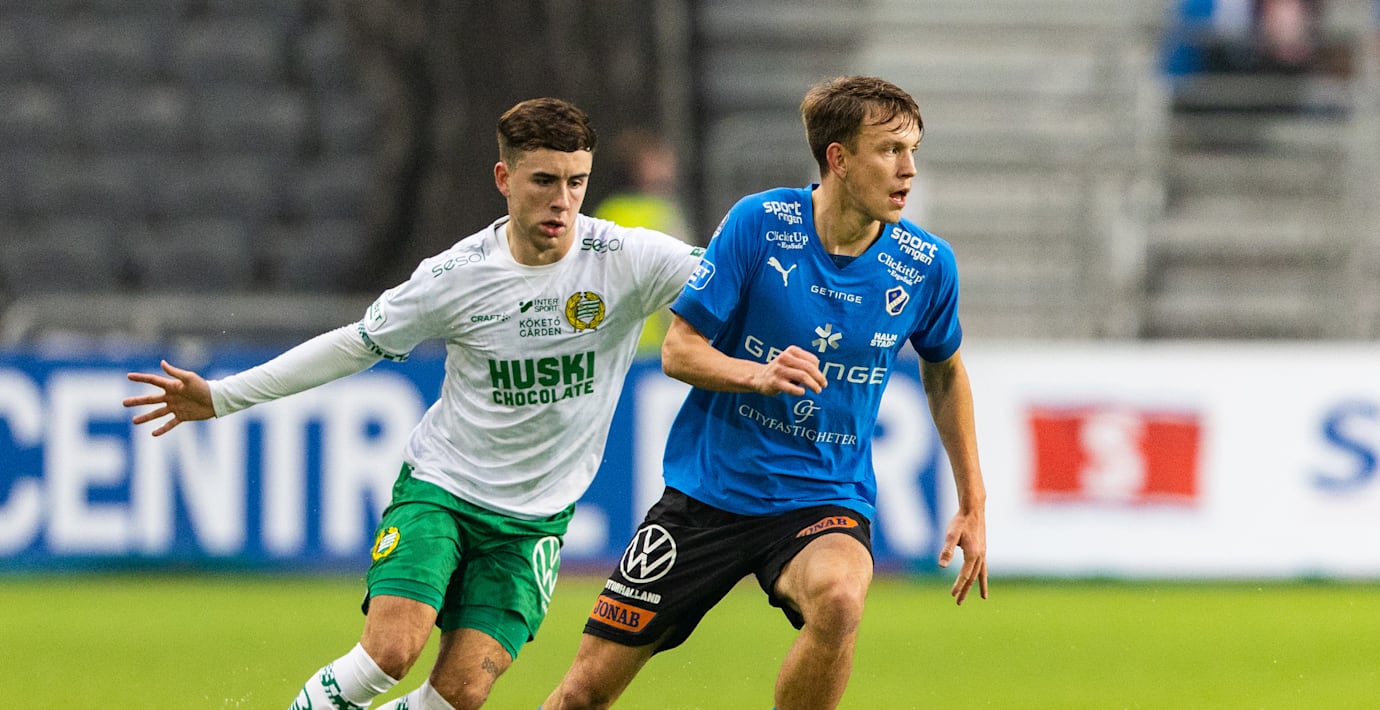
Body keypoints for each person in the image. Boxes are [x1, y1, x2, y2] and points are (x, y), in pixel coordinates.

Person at [122, 98, 704, 710]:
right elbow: (354, 345)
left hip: (534, 523)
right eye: (543, 181)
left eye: (576, 182)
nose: (562, 200)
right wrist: (222, 395)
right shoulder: (456, 275)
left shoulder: (629, 259)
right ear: (504, 178)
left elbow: (738, 278)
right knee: (390, 654)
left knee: (460, 696)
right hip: (443, 490)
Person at [543, 75, 988, 710]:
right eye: (890, 150)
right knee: (582, 694)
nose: (908, 169)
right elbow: (679, 350)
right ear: (838, 158)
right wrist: (756, 373)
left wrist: (973, 498)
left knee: (840, 597)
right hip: (708, 495)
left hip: (823, 497)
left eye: (912, 150)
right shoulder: (760, 224)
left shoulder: (926, 265)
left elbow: (944, 370)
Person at [592, 127, 693, 357]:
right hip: (657, 347)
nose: (669, 165)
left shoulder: (604, 213)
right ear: (641, 168)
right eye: (658, 159)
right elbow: (686, 283)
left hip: (612, 344)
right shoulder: (661, 212)